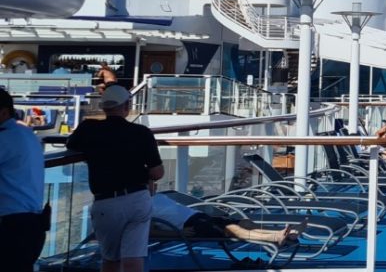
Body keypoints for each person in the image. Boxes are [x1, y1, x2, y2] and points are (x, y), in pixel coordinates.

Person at [67, 84, 164, 272]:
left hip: (106, 202)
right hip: (137, 198)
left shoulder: (88, 129)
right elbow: (157, 172)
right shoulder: (141, 132)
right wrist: (143, 174)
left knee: (111, 259)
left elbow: (72, 144)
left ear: (104, 107)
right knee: (134, 257)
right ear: (126, 106)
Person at [0, 89, 47, 272]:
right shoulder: (26, 133)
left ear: (3, 112)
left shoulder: (5, 137)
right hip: (32, 224)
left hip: (12, 227)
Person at [150, 193, 304, 244]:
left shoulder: (159, 196)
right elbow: (148, 232)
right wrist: (178, 234)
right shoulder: (143, 205)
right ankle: (275, 237)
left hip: (201, 217)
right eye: (150, 182)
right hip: (190, 226)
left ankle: (285, 233)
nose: (154, 184)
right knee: (231, 229)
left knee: (244, 222)